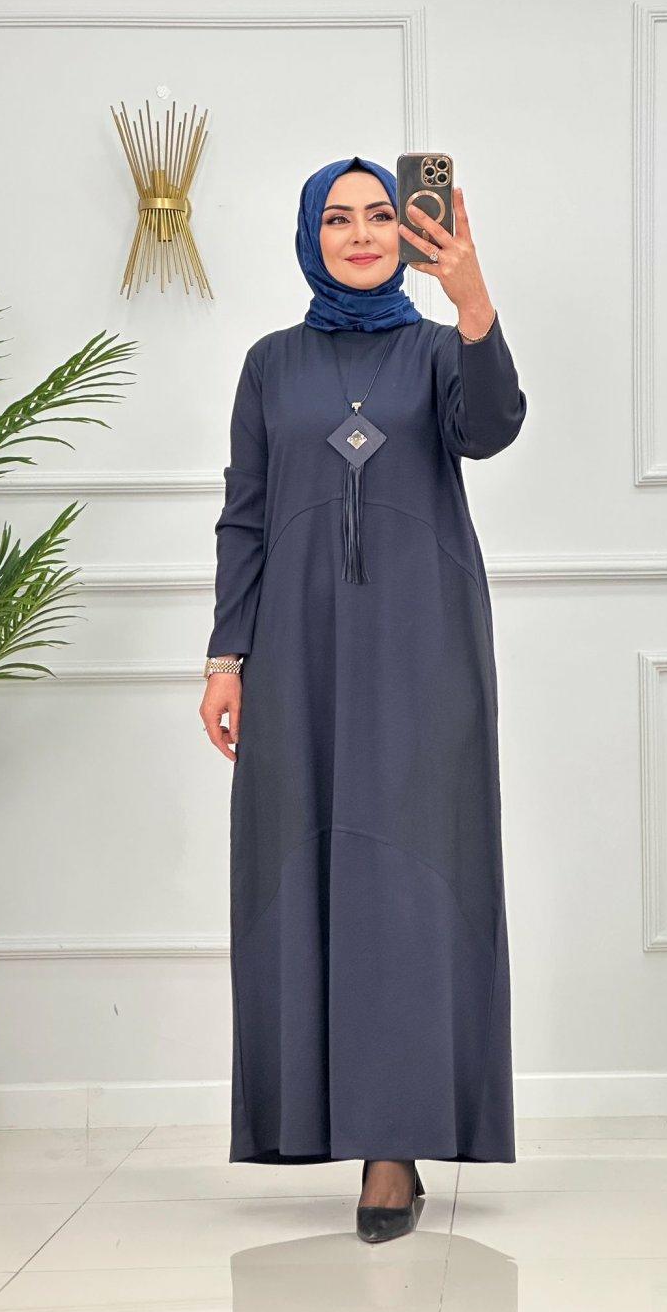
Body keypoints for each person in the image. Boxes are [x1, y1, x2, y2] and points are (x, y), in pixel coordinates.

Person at [199, 155, 527, 1244]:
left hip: (422, 646)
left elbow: (490, 427)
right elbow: (246, 514)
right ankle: (315, 1115)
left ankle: (395, 1149)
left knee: (408, 875)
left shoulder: (436, 349)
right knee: (302, 865)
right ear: (311, 235)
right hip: (296, 651)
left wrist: (471, 297)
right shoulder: (270, 364)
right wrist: (226, 656)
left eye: (381, 214)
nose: (361, 233)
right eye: (337, 218)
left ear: (407, 230)